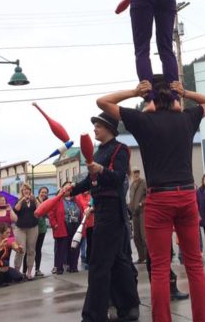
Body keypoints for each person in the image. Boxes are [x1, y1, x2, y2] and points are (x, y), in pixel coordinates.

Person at [97, 76, 205, 322]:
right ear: (174, 96)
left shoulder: (142, 120)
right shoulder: (187, 118)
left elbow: (102, 102)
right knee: (194, 264)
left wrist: (133, 92)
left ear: (149, 97)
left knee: (160, 267)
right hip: (186, 195)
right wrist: (186, 93)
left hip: (159, 199)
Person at [64, 111, 140, 322]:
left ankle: (93, 315)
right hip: (102, 211)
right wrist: (75, 188)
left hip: (112, 211)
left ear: (109, 128)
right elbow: (91, 180)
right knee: (118, 261)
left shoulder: (120, 149)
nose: (94, 129)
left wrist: (101, 169)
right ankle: (129, 307)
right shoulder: (97, 153)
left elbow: (117, 178)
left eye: (98, 125)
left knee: (98, 264)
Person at [47, 181, 87, 275]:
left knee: (74, 247)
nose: (68, 190)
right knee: (61, 249)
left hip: (75, 226)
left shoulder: (76, 200)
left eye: (70, 189)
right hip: (62, 227)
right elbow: (51, 214)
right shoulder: (57, 199)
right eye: (66, 188)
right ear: (62, 189)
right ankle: (59, 268)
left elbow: (82, 211)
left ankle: (73, 266)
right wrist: (55, 225)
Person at [13, 183, 39, 279]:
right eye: (24, 190)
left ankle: (29, 272)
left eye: (28, 189)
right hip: (20, 228)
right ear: (22, 191)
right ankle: (16, 272)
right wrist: (22, 199)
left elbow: (40, 208)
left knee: (31, 250)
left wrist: (35, 200)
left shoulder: (33, 200)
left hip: (33, 227)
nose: (26, 191)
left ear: (30, 191)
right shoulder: (18, 200)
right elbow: (16, 209)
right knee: (21, 249)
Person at [128, 169, 147, 264]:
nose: (136, 174)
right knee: (136, 237)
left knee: (144, 236)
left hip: (143, 212)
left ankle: (148, 257)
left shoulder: (143, 183)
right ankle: (141, 257)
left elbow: (148, 196)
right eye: (134, 173)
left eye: (137, 172)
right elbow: (131, 200)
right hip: (134, 214)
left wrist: (141, 204)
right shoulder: (131, 186)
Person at [31, 186, 49, 277]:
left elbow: (47, 214)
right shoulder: (34, 200)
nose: (44, 194)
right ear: (39, 192)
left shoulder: (47, 202)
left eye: (46, 192)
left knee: (38, 249)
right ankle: (26, 270)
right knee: (31, 249)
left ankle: (37, 269)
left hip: (42, 228)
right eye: (42, 192)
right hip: (33, 228)